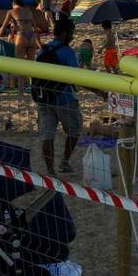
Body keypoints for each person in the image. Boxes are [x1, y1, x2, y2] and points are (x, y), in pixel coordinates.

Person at [35, 19, 105, 175]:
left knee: (47, 136)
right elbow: (77, 79)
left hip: (44, 99)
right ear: (65, 33)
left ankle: (50, 171)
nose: (72, 37)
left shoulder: (43, 50)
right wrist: (99, 92)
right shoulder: (67, 52)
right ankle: (64, 162)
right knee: (73, 131)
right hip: (64, 99)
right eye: (72, 33)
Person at [0, 0, 40, 93]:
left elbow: (3, 27)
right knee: (31, 66)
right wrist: (39, 44)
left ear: (14, 3)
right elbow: (35, 29)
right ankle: (33, 89)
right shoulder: (29, 11)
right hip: (32, 37)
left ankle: (21, 91)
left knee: (20, 66)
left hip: (21, 37)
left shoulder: (11, 12)